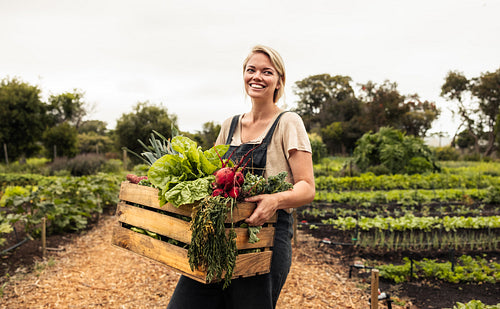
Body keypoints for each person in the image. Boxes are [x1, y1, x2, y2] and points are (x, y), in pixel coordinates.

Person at [167, 45, 315, 309]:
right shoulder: (230, 125)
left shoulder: (288, 122)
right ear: (244, 75)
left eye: (267, 72)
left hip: (264, 239)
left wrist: (275, 200)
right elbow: (210, 178)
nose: (257, 76)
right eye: (251, 70)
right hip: (220, 235)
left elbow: (307, 188)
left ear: (279, 81)